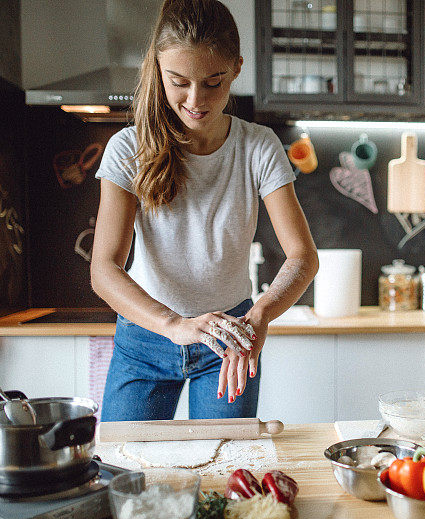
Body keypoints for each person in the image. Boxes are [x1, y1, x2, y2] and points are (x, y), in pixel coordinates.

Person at [91, 0, 318, 421]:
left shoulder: (259, 146)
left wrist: (261, 315)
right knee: (127, 475)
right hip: (145, 337)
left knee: (225, 470)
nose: (196, 99)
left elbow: (302, 257)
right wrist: (174, 325)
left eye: (213, 82)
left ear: (236, 68)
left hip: (229, 338)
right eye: (179, 82)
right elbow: (104, 270)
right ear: (158, 69)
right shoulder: (128, 148)